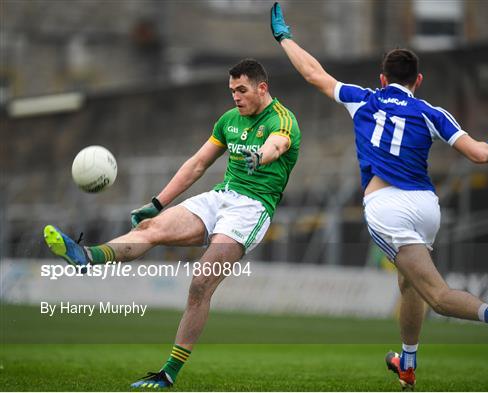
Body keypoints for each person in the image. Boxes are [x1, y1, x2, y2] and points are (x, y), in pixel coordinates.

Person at [269, 2, 488, 389]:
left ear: (382, 78)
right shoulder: (431, 111)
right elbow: (479, 154)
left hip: (387, 207)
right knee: (409, 282)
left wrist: (284, 37)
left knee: (437, 295)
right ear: (418, 80)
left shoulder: (363, 99)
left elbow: (313, 73)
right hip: (426, 207)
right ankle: (407, 365)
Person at [43, 58, 301, 389]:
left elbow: (277, 145)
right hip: (219, 196)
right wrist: (157, 203)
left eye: (242, 90)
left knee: (200, 282)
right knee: (149, 229)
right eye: (232, 90)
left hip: (251, 210)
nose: (235, 97)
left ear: (261, 88)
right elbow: (196, 165)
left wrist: (260, 155)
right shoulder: (229, 121)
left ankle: (168, 373)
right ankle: (87, 256)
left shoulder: (283, 119)